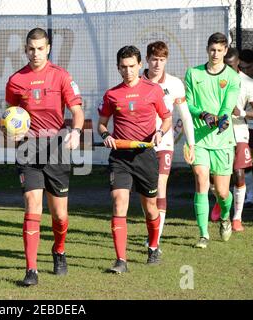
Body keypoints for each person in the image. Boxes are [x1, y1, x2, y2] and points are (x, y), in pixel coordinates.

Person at [5, 28, 84, 286]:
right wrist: (12, 132)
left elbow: (77, 110)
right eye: (30, 49)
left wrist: (76, 131)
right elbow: (9, 115)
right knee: (32, 204)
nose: (35, 53)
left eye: (40, 48)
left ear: (48, 48)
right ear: (25, 49)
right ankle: (31, 270)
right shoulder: (16, 80)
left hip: (57, 148)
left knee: (59, 215)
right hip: (28, 149)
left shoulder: (61, 76)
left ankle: (59, 250)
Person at [97, 45, 172, 273]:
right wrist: (105, 135)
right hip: (120, 157)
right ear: (118, 67)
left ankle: (153, 246)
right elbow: (102, 123)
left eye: (131, 66)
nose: (127, 71)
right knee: (119, 201)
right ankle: (121, 261)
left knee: (150, 208)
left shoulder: (153, 90)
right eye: (123, 67)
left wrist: (160, 132)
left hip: (145, 156)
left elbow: (167, 118)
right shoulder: (112, 94)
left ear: (140, 65)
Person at [185, 32, 240, 249]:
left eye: (219, 50)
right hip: (198, 139)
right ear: (207, 49)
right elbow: (188, 103)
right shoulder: (193, 73)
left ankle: (225, 216)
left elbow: (227, 106)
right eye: (212, 49)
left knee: (222, 192)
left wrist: (222, 120)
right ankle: (203, 234)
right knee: (201, 180)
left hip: (223, 141)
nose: (215, 54)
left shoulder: (233, 77)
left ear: (226, 51)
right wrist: (203, 115)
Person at [142, 41, 195, 248]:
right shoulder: (137, 82)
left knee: (160, 187)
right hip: (141, 145)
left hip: (164, 144)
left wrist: (191, 144)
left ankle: (155, 239)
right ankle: (152, 230)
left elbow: (186, 116)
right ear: (147, 59)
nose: (157, 64)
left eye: (162, 60)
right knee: (147, 194)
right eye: (154, 59)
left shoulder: (174, 84)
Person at [209, 48, 253, 231]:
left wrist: (243, 112)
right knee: (212, 176)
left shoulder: (247, 83)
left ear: (237, 63)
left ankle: (237, 218)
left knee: (239, 172)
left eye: (230, 65)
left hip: (239, 131)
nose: (226, 68)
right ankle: (222, 201)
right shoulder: (213, 78)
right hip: (217, 131)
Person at [238, 49, 253, 207]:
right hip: (246, 128)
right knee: (245, 164)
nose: (244, 71)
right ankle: (250, 197)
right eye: (241, 68)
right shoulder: (239, 80)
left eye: (246, 68)